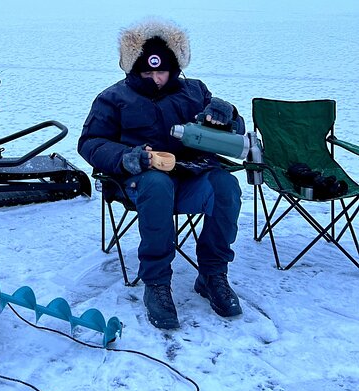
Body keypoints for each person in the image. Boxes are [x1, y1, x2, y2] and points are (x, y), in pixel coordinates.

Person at [78, 18, 245, 329]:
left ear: (175, 68)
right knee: (156, 184)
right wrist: (126, 157)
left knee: (226, 186)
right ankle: (156, 283)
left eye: (161, 71)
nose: (155, 78)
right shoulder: (113, 98)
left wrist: (228, 113)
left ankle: (213, 275)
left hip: (190, 178)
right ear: (134, 70)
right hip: (136, 182)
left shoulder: (195, 91)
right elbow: (89, 143)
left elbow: (234, 130)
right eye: (147, 72)